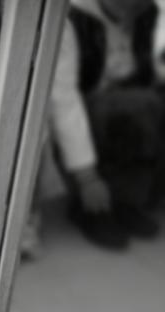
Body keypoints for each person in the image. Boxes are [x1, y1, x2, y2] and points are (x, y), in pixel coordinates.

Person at [49, 0, 163, 250]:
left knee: (144, 105)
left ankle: (125, 201)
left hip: (130, 105)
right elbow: (63, 99)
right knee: (137, 107)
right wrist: (86, 176)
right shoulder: (70, 18)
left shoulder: (146, 14)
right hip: (87, 112)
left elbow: (148, 69)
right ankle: (92, 209)